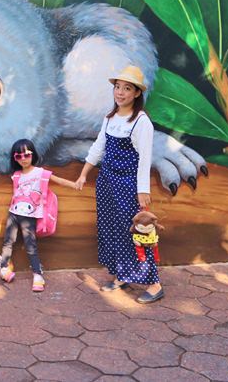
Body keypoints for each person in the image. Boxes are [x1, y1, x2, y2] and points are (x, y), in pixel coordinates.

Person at [75, 65, 164, 304]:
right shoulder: (110, 118)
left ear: (137, 93)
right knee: (110, 228)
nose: (120, 93)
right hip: (106, 182)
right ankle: (121, 275)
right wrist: (84, 174)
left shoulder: (141, 122)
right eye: (117, 87)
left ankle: (154, 284)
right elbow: (98, 147)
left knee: (137, 233)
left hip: (128, 185)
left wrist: (142, 191)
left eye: (127, 88)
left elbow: (145, 158)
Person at [0, 138, 78, 292]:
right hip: (14, 213)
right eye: (18, 156)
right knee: (8, 241)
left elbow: (57, 180)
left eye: (26, 155)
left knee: (31, 245)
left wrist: (74, 185)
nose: (23, 159)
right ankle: (3, 267)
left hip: (30, 216)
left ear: (32, 154)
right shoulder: (16, 175)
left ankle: (37, 273)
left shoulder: (40, 173)